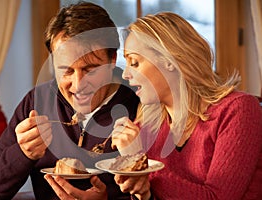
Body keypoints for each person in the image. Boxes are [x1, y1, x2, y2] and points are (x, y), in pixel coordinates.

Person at [0, 2, 139, 200]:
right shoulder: (38, 102)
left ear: (112, 59)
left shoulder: (140, 104)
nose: (78, 85)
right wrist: (22, 153)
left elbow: (159, 191)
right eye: (66, 70)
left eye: (90, 70)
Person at [111, 12, 262, 200]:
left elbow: (218, 197)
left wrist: (139, 162)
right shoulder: (147, 126)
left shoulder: (238, 109)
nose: (125, 74)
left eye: (134, 62)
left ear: (169, 59)